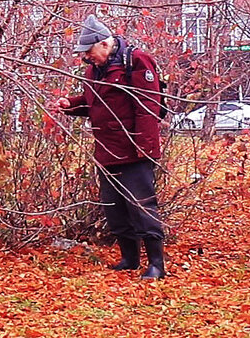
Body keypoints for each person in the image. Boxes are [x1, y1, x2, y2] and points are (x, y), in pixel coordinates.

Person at [51, 15, 167, 279]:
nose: (87, 59)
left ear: (104, 44)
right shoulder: (95, 70)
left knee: (141, 206)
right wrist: (72, 105)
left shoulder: (137, 61)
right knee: (114, 208)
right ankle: (130, 258)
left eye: (89, 53)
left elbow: (148, 107)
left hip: (135, 151)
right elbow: (97, 103)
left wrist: (144, 150)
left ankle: (157, 265)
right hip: (107, 151)